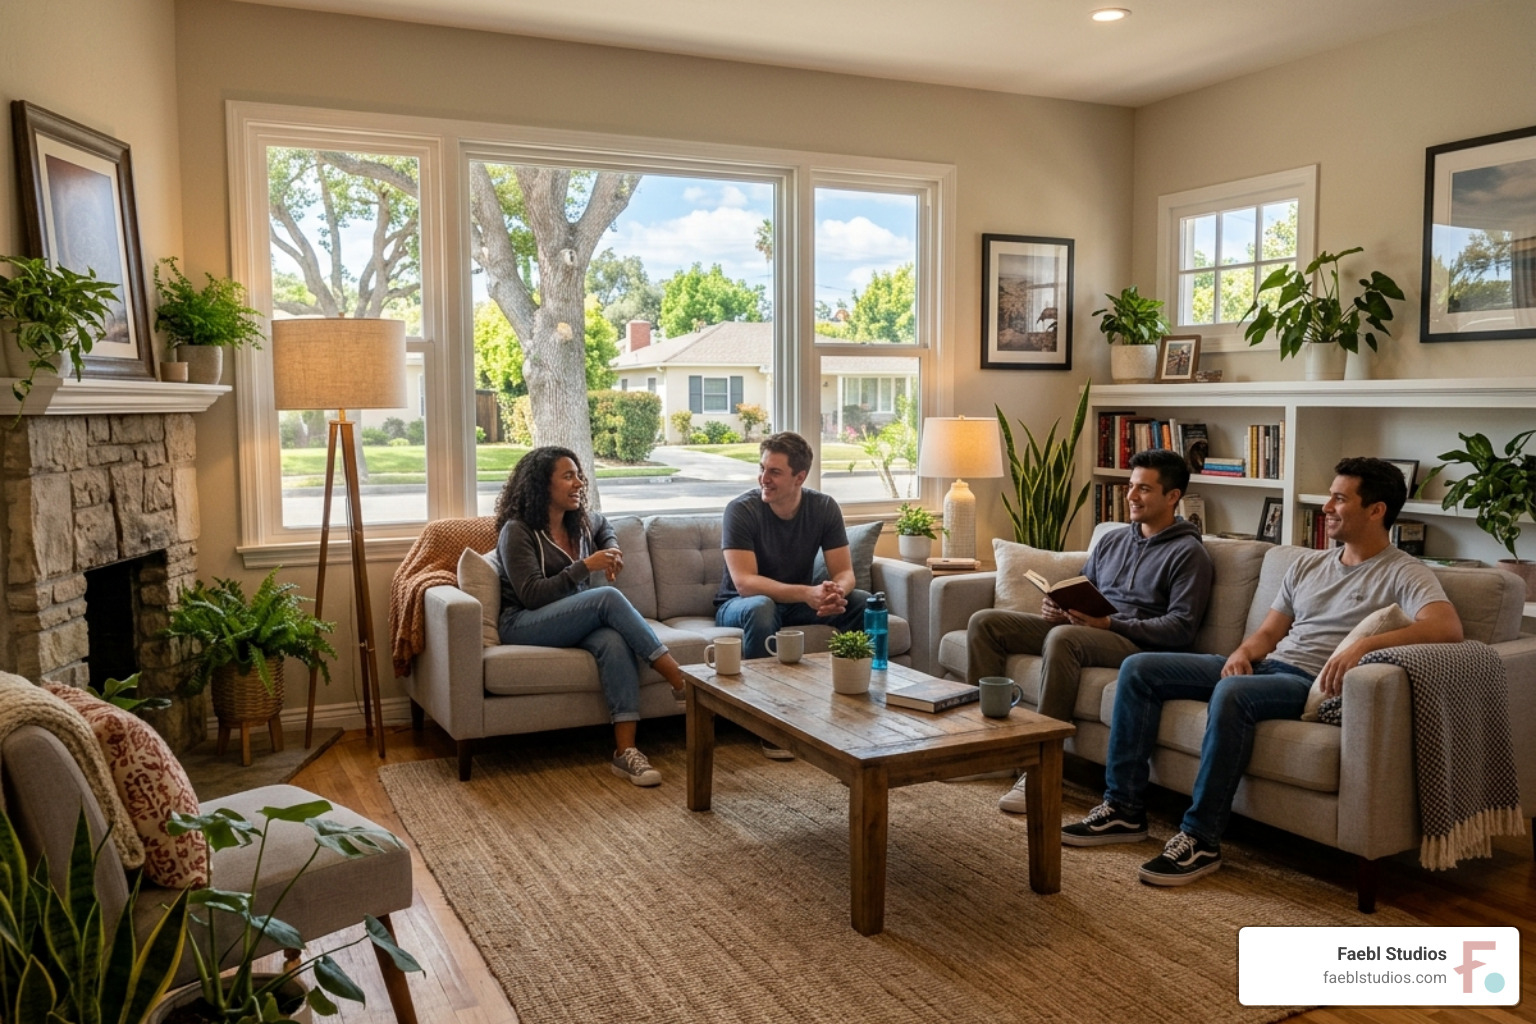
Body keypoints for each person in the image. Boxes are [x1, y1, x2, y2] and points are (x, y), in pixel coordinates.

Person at [1064, 457, 1463, 886]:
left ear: (1376, 509)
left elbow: (1446, 627)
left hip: (1306, 683)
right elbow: (1269, 632)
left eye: (1339, 498)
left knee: (1233, 694)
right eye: (1330, 496)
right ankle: (1123, 810)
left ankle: (1201, 838)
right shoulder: (1309, 565)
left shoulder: (1404, 571)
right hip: (1266, 666)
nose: (1327, 507)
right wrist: (1241, 654)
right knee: (1140, 668)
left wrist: (1364, 645)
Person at [968, 448, 1213, 813]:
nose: (1130, 496)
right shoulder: (1113, 540)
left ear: (1172, 497)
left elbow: (1181, 629)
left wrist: (1110, 623)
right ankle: (987, 750)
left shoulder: (1189, 554)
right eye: (1131, 486)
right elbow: (1088, 588)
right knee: (986, 623)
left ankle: (1041, 771)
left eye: (1143, 489)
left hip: (1134, 645)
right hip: (1087, 630)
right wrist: (1059, 606)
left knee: (1064, 638)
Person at [494, 446, 692, 787]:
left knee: (613, 640)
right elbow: (531, 594)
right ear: (542, 485)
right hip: (523, 621)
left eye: (579, 475)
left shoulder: (579, 522)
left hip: (567, 617)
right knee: (606, 598)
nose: (579, 483)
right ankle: (679, 679)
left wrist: (611, 551)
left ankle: (625, 753)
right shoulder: (518, 531)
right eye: (568, 476)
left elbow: (605, 527)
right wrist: (584, 567)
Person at [715, 431, 869, 759]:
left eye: (774, 472)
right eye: (761, 469)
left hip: (797, 603)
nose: (763, 479)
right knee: (762, 607)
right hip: (739, 604)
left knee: (861, 603)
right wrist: (808, 593)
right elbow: (745, 583)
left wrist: (835, 592)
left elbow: (845, 572)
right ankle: (769, 723)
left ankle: (856, 707)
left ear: (800, 477)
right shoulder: (740, 510)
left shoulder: (823, 507)